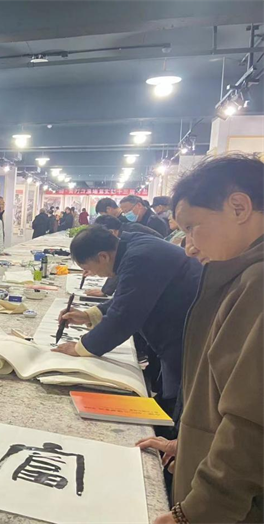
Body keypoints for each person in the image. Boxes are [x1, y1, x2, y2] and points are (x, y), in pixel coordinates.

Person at [138, 154, 264, 524]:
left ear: (239, 207)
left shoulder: (258, 284)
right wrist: (191, 443)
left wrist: (195, 514)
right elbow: (224, 391)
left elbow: (251, 423)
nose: (189, 246)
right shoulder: (240, 277)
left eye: (192, 227)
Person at [53, 226, 202, 415]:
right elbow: (131, 295)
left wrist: (80, 348)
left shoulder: (140, 258)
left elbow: (124, 317)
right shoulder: (132, 246)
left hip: (188, 335)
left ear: (103, 257)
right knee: (169, 396)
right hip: (180, 328)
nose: (92, 274)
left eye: (89, 269)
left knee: (180, 404)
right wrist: (89, 315)